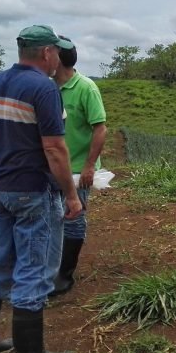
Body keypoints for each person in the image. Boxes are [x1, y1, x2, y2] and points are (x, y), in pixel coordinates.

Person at [0, 24, 82, 353]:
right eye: (56, 51)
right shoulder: (43, 87)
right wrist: (71, 195)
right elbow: (54, 148)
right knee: (34, 270)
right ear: (46, 53)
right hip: (32, 191)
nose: (58, 57)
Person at [49, 35, 107, 296]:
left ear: (57, 59)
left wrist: (89, 166)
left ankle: (65, 274)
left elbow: (100, 128)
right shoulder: (48, 87)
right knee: (52, 216)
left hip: (76, 168)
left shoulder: (86, 88)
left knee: (74, 217)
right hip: (51, 165)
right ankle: (51, 268)